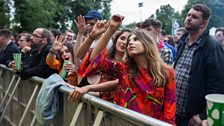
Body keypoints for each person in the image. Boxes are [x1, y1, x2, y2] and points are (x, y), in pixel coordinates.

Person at [69, 15, 176, 124]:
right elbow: (94, 60)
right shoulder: (125, 70)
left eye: (135, 39)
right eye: (129, 41)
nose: (130, 42)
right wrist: (110, 30)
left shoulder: (167, 72)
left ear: (147, 43)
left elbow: (169, 109)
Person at [174, 4, 224, 126]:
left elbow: (217, 86)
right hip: (175, 112)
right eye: (188, 15)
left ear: (204, 23)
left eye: (194, 17)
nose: (189, 18)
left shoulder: (212, 47)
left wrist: (203, 115)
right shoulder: (183, 41)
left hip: (193, 118)